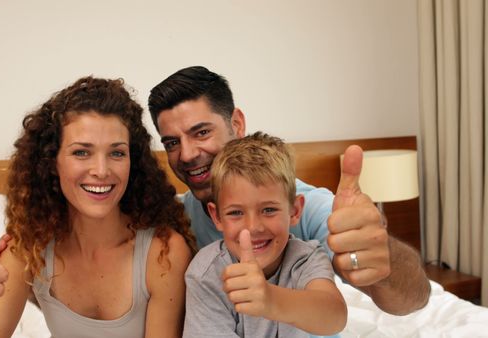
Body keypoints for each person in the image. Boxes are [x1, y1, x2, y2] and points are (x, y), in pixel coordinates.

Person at [148, 66, 430, 316]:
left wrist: (382, 256)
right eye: (172, 143)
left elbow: (411, 300)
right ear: (216, 216)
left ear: (237, 124)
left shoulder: (312, 207)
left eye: (201, 133)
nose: (186, 155)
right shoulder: (178, 218)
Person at [0, 76, 195, 338]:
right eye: (81, 152)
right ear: (52, 162)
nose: (101, 170)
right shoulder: (31, 247)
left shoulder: (164, 253)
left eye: (117, 153)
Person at [184, 132, 347, 337]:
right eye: (236, 213)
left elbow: (335, 316)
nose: (253, 227)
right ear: (216, 217)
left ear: (295, 210)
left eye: (269, 210)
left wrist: (271, 299)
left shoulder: (306, 258)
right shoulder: (205, 274)